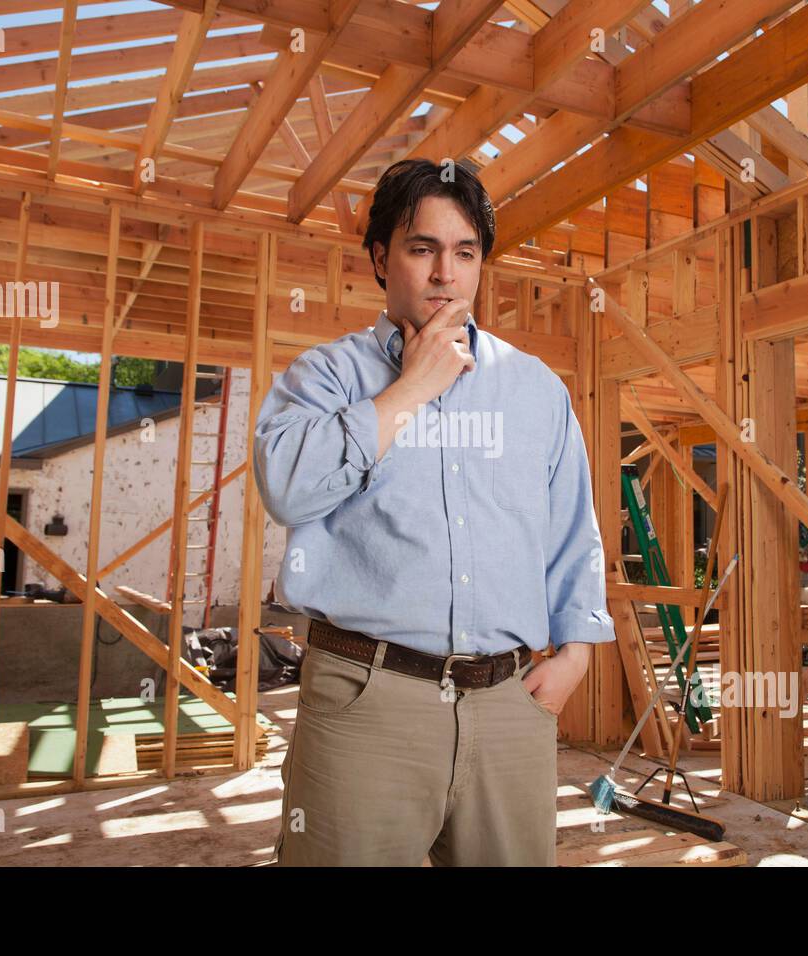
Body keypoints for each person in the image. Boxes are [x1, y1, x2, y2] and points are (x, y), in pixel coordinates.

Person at [253, 157, 614, 866]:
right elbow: (287, 489)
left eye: (465, 253)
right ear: (383, 259)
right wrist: (409, 389)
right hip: (366, 703)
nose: (445, 273)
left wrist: (575, 655)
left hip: (511, 704)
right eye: (422, 250)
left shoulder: (536, 390)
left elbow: (574, 531)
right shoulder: (324, 378)